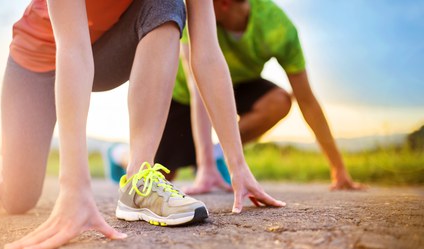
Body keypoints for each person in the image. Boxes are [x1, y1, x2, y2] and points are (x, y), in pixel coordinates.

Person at [0, 0, 285, 249]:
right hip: (38, 61)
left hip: (107, 52)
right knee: (18, 198)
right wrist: (74, 189)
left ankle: (139, 180)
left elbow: (207, 55)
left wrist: (237, 165)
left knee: (167, 2)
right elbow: (72, 48)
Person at [151, 0, 366, 194]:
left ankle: (218, 155)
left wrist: (338, 168)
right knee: (162, 176)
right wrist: (204, 166)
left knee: (279, 101)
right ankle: (120, 154)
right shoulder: (193, 16)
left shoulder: (277, 27)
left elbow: (307, 100)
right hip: (185, 95)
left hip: (240, 84)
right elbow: (198, 88)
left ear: (223, 3)